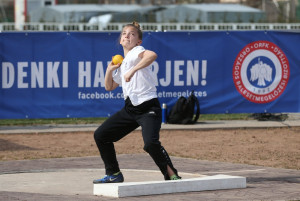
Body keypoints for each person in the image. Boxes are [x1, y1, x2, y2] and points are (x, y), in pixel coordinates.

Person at [93, 21, 181, 183]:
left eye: (132, 34)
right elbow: (109, 87)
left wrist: (133, 70)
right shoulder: (122, 64)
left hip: (148, 107)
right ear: (120, 40)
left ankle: (171, 174)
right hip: (130, 109)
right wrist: (109, 70)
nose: (127, 35)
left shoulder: (136, 51)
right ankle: (114, 174)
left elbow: (152, 55)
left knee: (150, 144)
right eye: (124, 33)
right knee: (101, 135)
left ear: (138, 41)